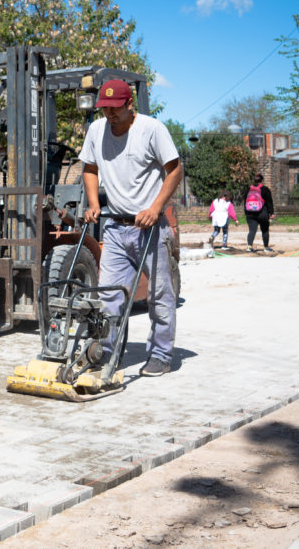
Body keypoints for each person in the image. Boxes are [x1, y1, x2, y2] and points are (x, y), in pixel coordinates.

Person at [80, 79, 183, 378]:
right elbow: (89, 168)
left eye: (115, 109)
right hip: (114, 227)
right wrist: (92, 202)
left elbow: (175, 169)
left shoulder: (151, 129)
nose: (109, 115)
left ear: (129, 106)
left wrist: (156, 208)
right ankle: (106, 352)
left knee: (159, 294)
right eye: (105, 109)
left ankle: (161, 354)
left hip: (149, 229)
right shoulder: (97, 131)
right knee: (109, 294)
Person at [245, 173, 276, 253]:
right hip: (262, 213)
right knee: (265, 230)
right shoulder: (265, 189)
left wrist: (246, 212)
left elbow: (245, 201)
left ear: (254, 180)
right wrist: (271, 213)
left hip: (250, 213)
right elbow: (269, 202)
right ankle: (266, 247)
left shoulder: (249, 189)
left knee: (252, 230)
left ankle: (249, 247)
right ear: (262, 180)